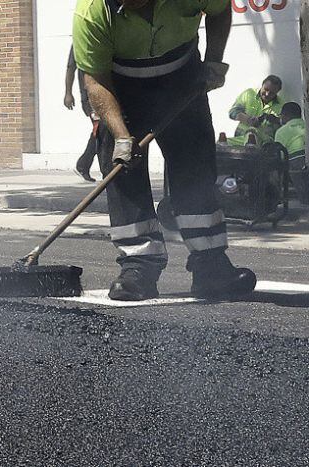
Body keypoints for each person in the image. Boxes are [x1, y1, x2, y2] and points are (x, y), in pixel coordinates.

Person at [74, 0, 256, 301]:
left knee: (194, 169)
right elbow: (95, 79)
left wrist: (213, 60)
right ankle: (138, 268)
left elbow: (220, 10)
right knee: (123, 174)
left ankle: (210, 265)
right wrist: (121, 136)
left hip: (181, 77)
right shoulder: (92, 12)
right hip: (121, 86)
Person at [64, 45, 103, 182]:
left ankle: (83, 164)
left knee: (101, 132)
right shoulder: (78, 43)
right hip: (89, 97)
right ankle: (85, 165)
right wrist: (68, 93)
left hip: (103, 93)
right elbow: (70, 68)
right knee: (100, 131)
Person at [228, 75, 284, 146]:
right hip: (240, 138)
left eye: (271, 93)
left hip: (263, 144)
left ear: (277, 92)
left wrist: (275, 120)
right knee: (220, 144)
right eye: (266, 89)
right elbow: (233, 112)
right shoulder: (249, 94)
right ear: (262, 85)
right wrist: (248, 119)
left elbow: (283, 126)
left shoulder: (281, 105)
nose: (267, 94)